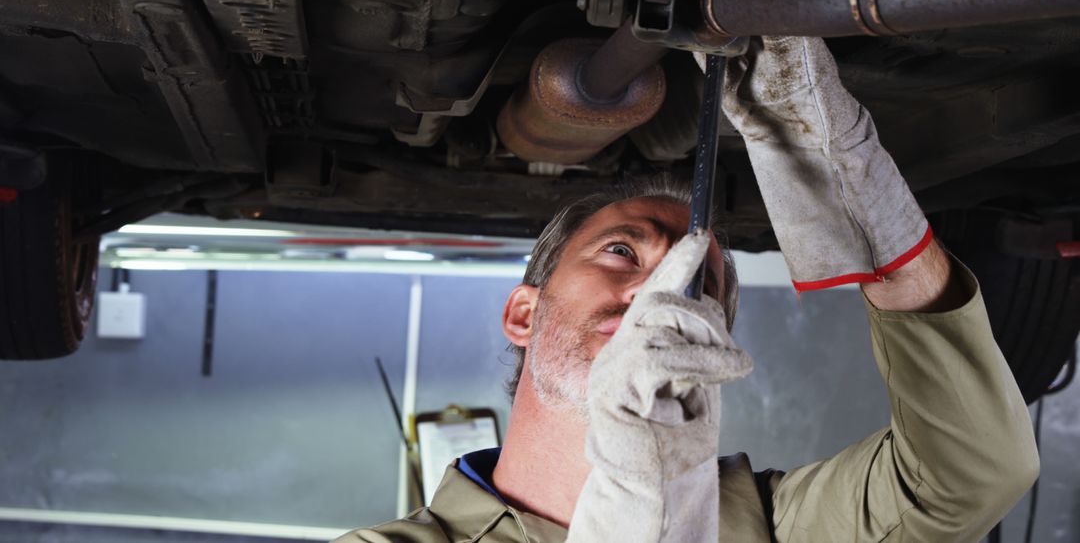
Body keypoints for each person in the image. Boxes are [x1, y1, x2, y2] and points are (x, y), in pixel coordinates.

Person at [334, 37, 1039, 542]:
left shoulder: (771, 519)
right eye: (620, 251)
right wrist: (642, 497)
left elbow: (970, 474)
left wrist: (868, 214)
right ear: (524, 311)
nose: (658, 290)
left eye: (700, 279)